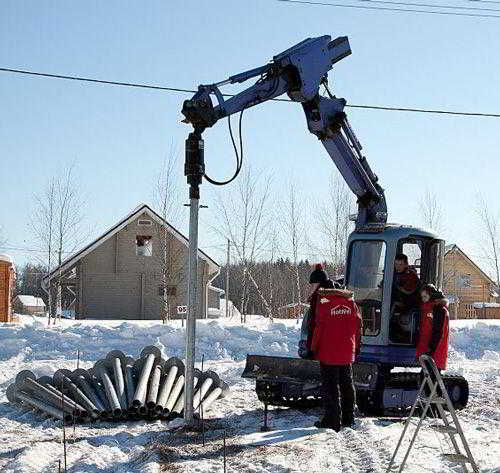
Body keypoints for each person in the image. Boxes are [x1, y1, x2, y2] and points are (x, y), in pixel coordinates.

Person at [310, 287, 362, 431]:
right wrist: (357, 346)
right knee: (347, 384)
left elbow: (319, 327)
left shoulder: (325, 303)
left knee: (330, 386)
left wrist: (313, 348)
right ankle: (348, 418)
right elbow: (358, 326)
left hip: (329, 351)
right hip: (346, 350)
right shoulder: (351, 303)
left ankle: (332, 420)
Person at [298, 264, 336, 359]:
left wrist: (310, 349)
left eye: (312, 284)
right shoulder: (328, 297)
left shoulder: (322, 300)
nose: (310, 287)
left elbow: (315, 326)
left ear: (318, 284)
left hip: (321, 347)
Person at [416, 284, 450, 371]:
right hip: (429, 350)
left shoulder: (438, 309)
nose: (423, 299)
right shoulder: (428, 308)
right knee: (426, 376)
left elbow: (438, 331)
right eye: (422, 297)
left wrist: (430, 350)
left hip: (434, 351)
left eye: (425, 296)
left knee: (430, 377)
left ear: (431, 295)